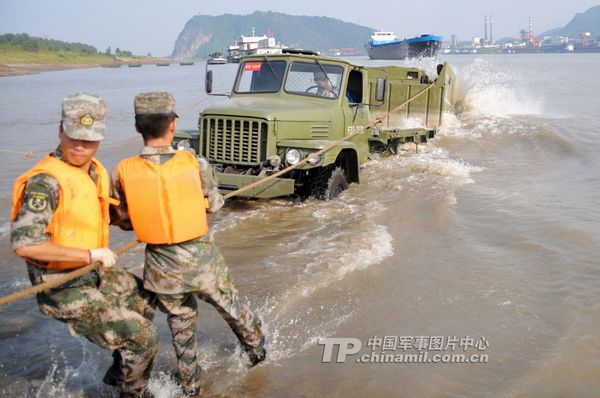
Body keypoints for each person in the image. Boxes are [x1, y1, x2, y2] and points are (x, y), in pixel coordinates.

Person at [111, 92, 266, 396]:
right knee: (233, 310)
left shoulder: (122, 171)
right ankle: (259, 359)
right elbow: (214, 204)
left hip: (161, 270)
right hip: (202, 261)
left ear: (137, 127)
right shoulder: (194, 162)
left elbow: (125, 219)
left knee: (182, 331)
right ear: (172, 125)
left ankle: (191, 388)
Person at [10, 93, 158, 398]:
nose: (80, 146)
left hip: (92, 272)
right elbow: (25, 245)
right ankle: (134, 393)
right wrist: (89, 254)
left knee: (146, 298)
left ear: (100, 138)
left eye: (89, 140)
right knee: (144, 338)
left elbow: (109, 215)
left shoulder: (95, 171)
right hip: (62, 286)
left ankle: (120, 377)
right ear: (60, 130)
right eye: (74, 136)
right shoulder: (46, 182)